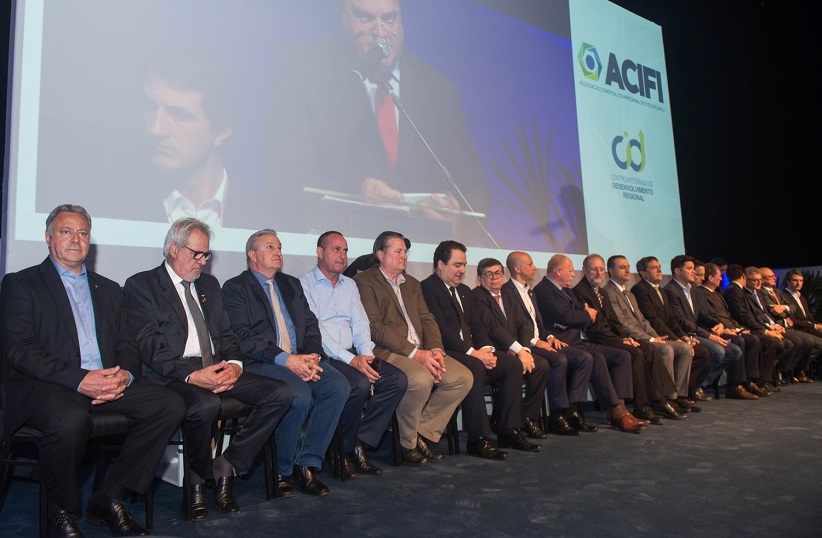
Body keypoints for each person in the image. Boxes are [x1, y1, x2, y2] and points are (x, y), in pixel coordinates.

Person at [0, 204, 185, 537]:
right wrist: (81, 380)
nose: (76, 239)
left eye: (83, 233)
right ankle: (60, 512)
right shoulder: (22, 283)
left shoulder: (109, 289)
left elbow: (128, 343)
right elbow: (20, 349)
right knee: (70, 419)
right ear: (48, 238)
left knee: (168, 404)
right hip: (50, 386)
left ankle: (110, 496)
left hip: (107, 382)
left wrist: (125, 376)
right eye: (66, 231)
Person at [269, 0, 490, 242]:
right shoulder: (303, 69)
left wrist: (457, 226)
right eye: (365, 18)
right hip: (341, 246)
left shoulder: (438, 88)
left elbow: (472, 187)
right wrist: (357, 191)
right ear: (344, 19)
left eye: (389, 19)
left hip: (421, 251)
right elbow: (289, 172)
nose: (381, 32)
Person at [124, 218, 291, 520]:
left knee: (279, 394)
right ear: (173, 249)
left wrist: (235, 366)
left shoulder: (209, 285)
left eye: (206, 255)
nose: (202, 261)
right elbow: (149, 346)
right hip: (172, 374)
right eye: (196, 254)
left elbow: (227, 335)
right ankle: (197, 482)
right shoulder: (142, 285)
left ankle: (226, 464)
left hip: (215, 365)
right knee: (205, 405)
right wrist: (191, 375)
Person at [222, 230, 350, 496]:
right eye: (270, 247)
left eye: (279, 247)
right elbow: (243, 338)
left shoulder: (291, 284)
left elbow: (311, 325)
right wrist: (287, 360)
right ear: (252, 255)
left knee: (337, 385)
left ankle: (307, 463)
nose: (278, 252)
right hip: (262, 362)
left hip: (300, 358)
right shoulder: (235, 288)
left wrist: (313, 356)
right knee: (298, 395)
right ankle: (282, 469)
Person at [354, 231, 473, 464]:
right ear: (381, 255)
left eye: (405, 252)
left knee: (462, 377)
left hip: (421, 350)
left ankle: (421, 434)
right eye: (398, 251)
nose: (404, 256)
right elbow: (375, 327)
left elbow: (427, 318)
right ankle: (405, 445)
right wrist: (415, 353)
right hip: (389, 351)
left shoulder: (412, 284)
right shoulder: (364, 281)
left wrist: (436, 349)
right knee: (420, 379)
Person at [298, 231, 408, 477]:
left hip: (354, 353)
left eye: (345, 251)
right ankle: (341, 450)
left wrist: (367, 356)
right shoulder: (304, 284)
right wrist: (353, 360)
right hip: (326, 355)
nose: (342, 255)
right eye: (336, 249)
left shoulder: (349, 285)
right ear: (320, 252)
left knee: (396, 380)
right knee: (358, 384)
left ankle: (359, 441)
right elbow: (315, 331)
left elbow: (360, 324)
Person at [420, 243, 538, 458]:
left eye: (464, 265)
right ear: (440, 264)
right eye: (457, 265)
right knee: (475, 366)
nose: (462, 270)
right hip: (446, 351)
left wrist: (486, 350)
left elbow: (477, 326)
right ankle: (479, 439)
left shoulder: (464, 291)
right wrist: (473, 353)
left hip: (472, 350)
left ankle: (509, 430)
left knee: (512, 364)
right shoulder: (427, 288)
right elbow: (440, 330)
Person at [139, 44, 263, 228]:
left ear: (222, 131)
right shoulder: (113, 205)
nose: (156, 129)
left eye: (179, 115)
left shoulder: (265, 218)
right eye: (150, 107)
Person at [532, 254, 645, 433]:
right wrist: (580, 316)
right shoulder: (543, 290)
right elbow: (568, 316)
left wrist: (577, 317)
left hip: (579, 340)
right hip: (563, 343)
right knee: (594, 358)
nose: (573, 274)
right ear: (558, 271)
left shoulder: (568, 291)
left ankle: (621, 410)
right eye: (570, 271)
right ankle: (613, 413)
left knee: (622, 355)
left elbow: (582, 317)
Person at [575, 255, 683, 423]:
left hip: (610, 336)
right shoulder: (580, 292)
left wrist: (624, 337)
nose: (598, 272)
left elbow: (614, 321)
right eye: (594, 269)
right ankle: (642, 406)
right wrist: (620, 340)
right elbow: (593, 327)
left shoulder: (601, 292)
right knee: (635, 352)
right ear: (584, 270)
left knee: (648, 348)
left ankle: (660, 399)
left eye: (600, 269)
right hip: (596, 339)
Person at [470, 257, 569, 436]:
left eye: (498, 273)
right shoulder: (477, 296)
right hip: (494, 349)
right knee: (515, 365)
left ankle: (528, 416)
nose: (494, 278)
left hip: (514, 348)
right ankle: (507, 425)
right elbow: (493, 327)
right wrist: (519, 350)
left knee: (541, 365)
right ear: (479, 278)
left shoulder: (508, 294)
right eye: (488, 274)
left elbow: (523, 325)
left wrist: (526, 350)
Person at [502, 251, 598, 433]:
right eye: (530, 264)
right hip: (524, 345)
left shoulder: (530, 292)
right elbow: (514, 327)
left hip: (541, 341)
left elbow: (538, 323)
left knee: (584, 358)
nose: (534, 267)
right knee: (558, 360)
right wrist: (535, 341)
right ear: (517, 268)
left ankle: (572, 410)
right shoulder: (506, 292)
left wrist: (549, 337)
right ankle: (555, 414)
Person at [603, 255, 698, 412]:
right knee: (666, 349)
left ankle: (678, 397)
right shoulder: (608, 292)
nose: (627, 270)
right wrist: (651, 339)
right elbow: (622, 323)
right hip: (632, 339)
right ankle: (664, 398)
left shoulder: (629, 294)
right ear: (611, 271)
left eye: (628, 266)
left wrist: (656, 337)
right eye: (622, 267)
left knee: (685, 348)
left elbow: (643, 320)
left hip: (647, 336)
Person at [631, 256, 711, 401]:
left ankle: (680, 394)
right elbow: (653, 320)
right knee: (685, 349)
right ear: (642, 273)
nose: (659, 270)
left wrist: (682, 336)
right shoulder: (639, 289)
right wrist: (677, 340)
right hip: (656, 335)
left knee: (701, 352)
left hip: (668, 335)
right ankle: (672, 396)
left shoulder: (661, 290)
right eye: (654, 268)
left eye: (659, 267)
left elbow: (671, 319)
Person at [664, 255, 741, 397]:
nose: (694, 272)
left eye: (693, 268)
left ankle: (700, 384)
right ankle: (693, 387)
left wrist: (718, 323)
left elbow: (702, 314)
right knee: (718, 351)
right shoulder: (671, 290)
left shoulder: (693, 289)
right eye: (689, 268)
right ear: (678, 271)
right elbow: (682, 321)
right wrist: (709, 335)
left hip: (697, 331)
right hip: (685, 333)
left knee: (734, 351)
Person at [699, 262, 774, 396]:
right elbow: (712, 318)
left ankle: (750, 381)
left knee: (753, 339)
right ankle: (734, 385)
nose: (721, 278)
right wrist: (729, 329)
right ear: (710, 278)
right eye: (719, 276)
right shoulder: (702, 294)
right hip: (716, 330)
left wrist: (738, 328)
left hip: (728, 327)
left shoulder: (717, 294)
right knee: (739, 341)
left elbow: (728, 316)